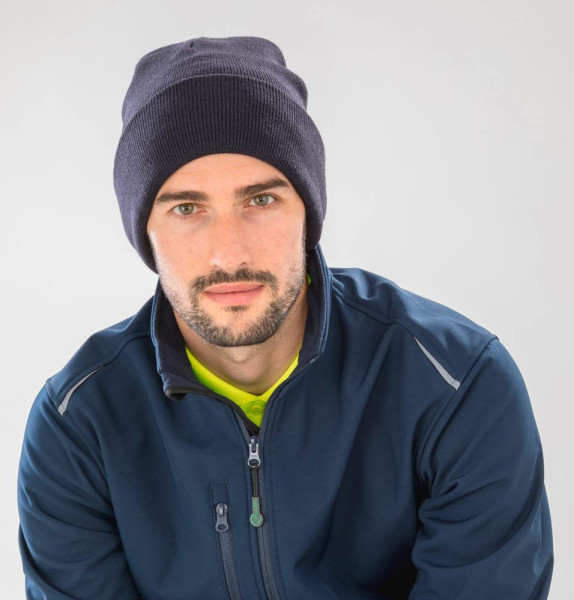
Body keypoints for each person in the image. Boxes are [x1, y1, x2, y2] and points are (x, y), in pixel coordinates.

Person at [18, 36, 553, 600]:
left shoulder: (454, 385)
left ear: (308, 213)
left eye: (261, 200)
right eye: (187, 208)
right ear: (144, 233)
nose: (229, 253)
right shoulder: (78, 426)